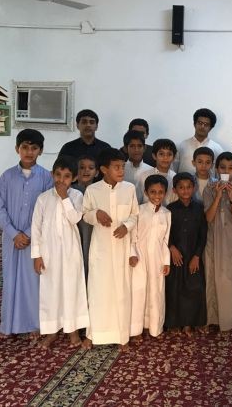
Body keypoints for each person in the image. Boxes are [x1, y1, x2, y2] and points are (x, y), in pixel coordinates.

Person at [0, 129, 53, 338]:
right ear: (17, 149)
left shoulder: (46, 178)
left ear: (41, 151)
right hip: (12, 239)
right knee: (10, 278)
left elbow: (47, 210)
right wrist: (14, 234)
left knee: (32, 280)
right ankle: (8, 325)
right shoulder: (7, 177)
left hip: (34, 238)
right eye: (25, 147)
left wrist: (27, 234)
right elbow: (0, 209)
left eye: (34, 148)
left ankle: (33, 324)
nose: (29, 152)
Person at [81, 148, 139, 351]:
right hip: (101, 250)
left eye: (123, 166)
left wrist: (127, 226)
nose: (121, 170)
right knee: (98, 291)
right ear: (104, 169)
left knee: (121, 292)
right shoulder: (92, 190)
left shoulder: (129, 189)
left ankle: (122, 336)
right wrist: (96, 214)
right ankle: (93, 334)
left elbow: (135, 214)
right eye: (116, 167)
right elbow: (85, 214)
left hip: (122, 248)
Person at [31, 156, 89, 349]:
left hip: (70, 251)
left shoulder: (77, 196)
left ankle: (73, 330)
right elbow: (36, 228)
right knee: (51, 290)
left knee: (72, 289)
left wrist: (64, 198)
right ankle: (51, 331)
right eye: (58, 175)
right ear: (52, 174)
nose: (61, 180)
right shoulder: (43, 198)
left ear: (74, 178)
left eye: (66, 176)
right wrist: (37, 255)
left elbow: (75, 218)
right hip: (49, 253)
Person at [203, 152, 232, 333]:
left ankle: (228, 320)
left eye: (230, 168)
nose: (226, 172)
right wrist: (218, 196)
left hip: (231, 241)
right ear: (216, 169)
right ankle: (211, 319)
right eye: (222, 168)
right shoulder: (209, 188)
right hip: (213, 238)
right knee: (211, 277)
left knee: (230, 279)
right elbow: (208, 217)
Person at [165, 172, 208, 337]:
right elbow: (165, 232)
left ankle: (189, 323)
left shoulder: (199, 208)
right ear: (174, 190)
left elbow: (203, 234)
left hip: (193, 256)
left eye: (188, 187)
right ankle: (174, 323)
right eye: (181, 188)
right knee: (174, 289)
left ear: (194, 188)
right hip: (175, 256)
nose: (185, 191)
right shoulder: (170, 209)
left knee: (193, 288)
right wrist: (172, 248)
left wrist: (197, 256)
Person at [129, 174, 171, 342]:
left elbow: (166, 240)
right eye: (153, 192)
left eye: (161, 192)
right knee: (138, 291)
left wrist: (166, 261)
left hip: (158, 258)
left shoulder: (167, 213)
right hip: (139, 256)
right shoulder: (139, 210)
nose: (157, 196)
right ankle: (136, 329)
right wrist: (132, 253)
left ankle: (153, 326)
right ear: (146, 192)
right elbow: (133, 235)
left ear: (165, 193)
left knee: (156, 291)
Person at [71, 155, 97, 281]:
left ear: (97, 172)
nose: (86, 171)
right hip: (75, 234)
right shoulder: (70, 191)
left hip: (94, 234)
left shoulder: (99, 190)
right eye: (82, 167)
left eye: (90, 168)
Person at [174, 108, 223, 174]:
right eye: (200, 123)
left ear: (211, 128)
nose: (202, 126)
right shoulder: (181, 146)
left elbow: (219, 172)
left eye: (206, 124)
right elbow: (173, 170)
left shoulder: (217, 149)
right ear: (194, 124)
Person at [136, 138, 178, 205]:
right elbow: (137, 201)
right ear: (154, 156)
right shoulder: (144, 176)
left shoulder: (175, 178)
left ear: (174, 157)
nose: (165, 157)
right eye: (161, 154)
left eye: (169, 154)